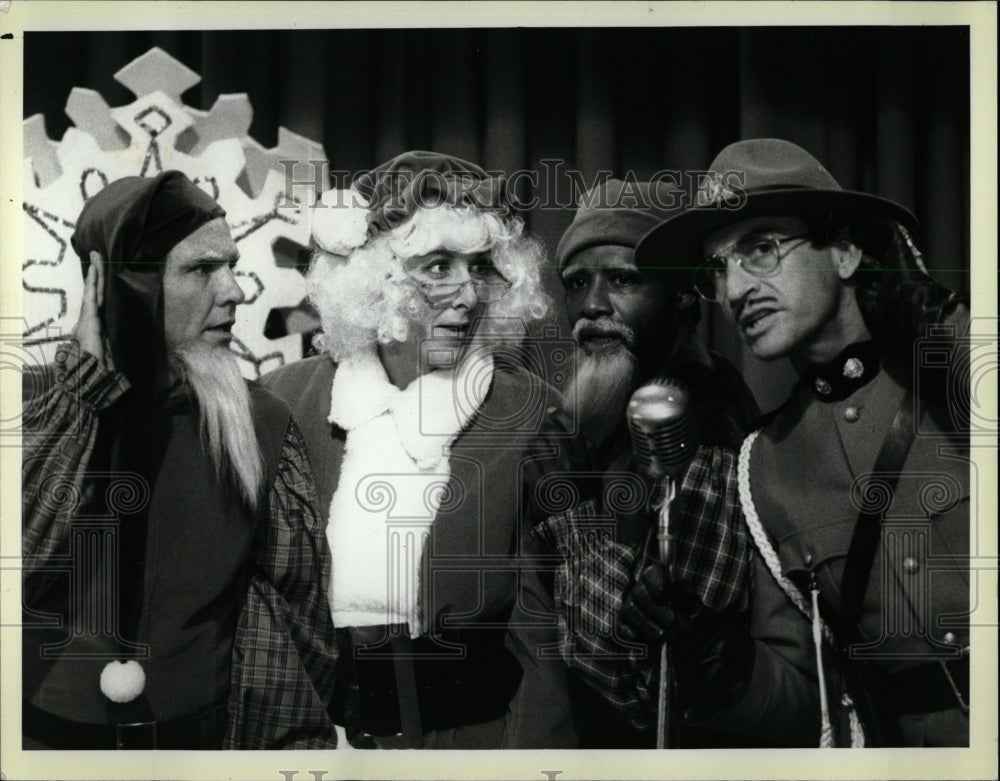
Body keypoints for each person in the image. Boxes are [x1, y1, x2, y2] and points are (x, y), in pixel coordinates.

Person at [627, 138, 970, 746]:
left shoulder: (956, 374)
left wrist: (949, 333)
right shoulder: (765, 466)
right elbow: (805, 698)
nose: (733, 291)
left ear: (843, 250)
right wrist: (719, 663)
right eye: (719, 267)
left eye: (760, 249)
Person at [260, 150, 576, 748]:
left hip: (474, 748)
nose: (467, 292)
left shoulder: (532, 411)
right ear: (375, 279)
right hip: (318, 744)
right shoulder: (286, 402)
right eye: (436, 267)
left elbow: (549, 639)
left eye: (480, 266)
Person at [21, 171, 338, 749]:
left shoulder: (263, 423)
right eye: (200, 270)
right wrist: (82, 397)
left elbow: (298, 623)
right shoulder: (30, 410)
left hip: (202, 748)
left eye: (232, 266)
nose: (235, 292)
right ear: (126, 288)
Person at [529, 178, 766, 747]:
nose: (592, 307)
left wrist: (567, 508)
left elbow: (647, 688)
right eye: (578, 283)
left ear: (684, 293)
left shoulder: (704, 433)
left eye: (624, 280)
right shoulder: (609, 416)